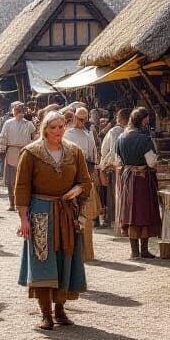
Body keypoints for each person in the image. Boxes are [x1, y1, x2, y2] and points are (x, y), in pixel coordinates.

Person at [15, 110, 91, 330]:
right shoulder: (31, 153)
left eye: (61, 127)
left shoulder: (74, 152)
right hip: (40, 212)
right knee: (43, 260)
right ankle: (45, 313)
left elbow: (86, 181)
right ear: (45, 130)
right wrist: (23, 219)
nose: (58, 131)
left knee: (64, 260)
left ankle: (60, 309)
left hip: (66, 212)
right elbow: (22, 188)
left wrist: (77, 190)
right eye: (53, 128)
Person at [115, 107, 161, 259]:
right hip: (141, 179)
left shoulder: (121, 138)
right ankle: (143, 251)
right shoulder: (144, 139)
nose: (146, 125)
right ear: (139, 121)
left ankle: (135, 252)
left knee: (130, 213)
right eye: (145, 122)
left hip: (127, 178)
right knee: (143, 213)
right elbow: (152, 162)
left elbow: (118, 161)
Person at [65, 106, 101, 260]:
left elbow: (93, 156)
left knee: (86, 216)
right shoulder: (67, 134)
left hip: (86, 178)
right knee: (71, 216)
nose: (82, 122)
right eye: (79, 118)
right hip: (71, 178)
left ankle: (87, 253)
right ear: (74, 118)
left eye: (84, 119)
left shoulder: (88, 135)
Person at [0, 102, 37, 211]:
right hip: (11, 152)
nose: (19, 113)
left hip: (25, 152)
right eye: (17, 111)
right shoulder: (8, 123)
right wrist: (2, 150)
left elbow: (35, 137)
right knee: (11, 180)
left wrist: (32, 148)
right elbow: (3, 137)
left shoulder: (28, 124)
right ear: (14, 112)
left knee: (24, 179)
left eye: (21, 111)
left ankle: (23, 203)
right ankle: (12, 203)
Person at [99, 109, 128, 229]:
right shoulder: (116, 131)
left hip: (117, 167)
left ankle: (119, 222)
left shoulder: (122, 131)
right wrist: (104, 168)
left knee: (118, 196)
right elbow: (113, 152)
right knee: (116, 196)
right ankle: (117, 222)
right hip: (115, 168)